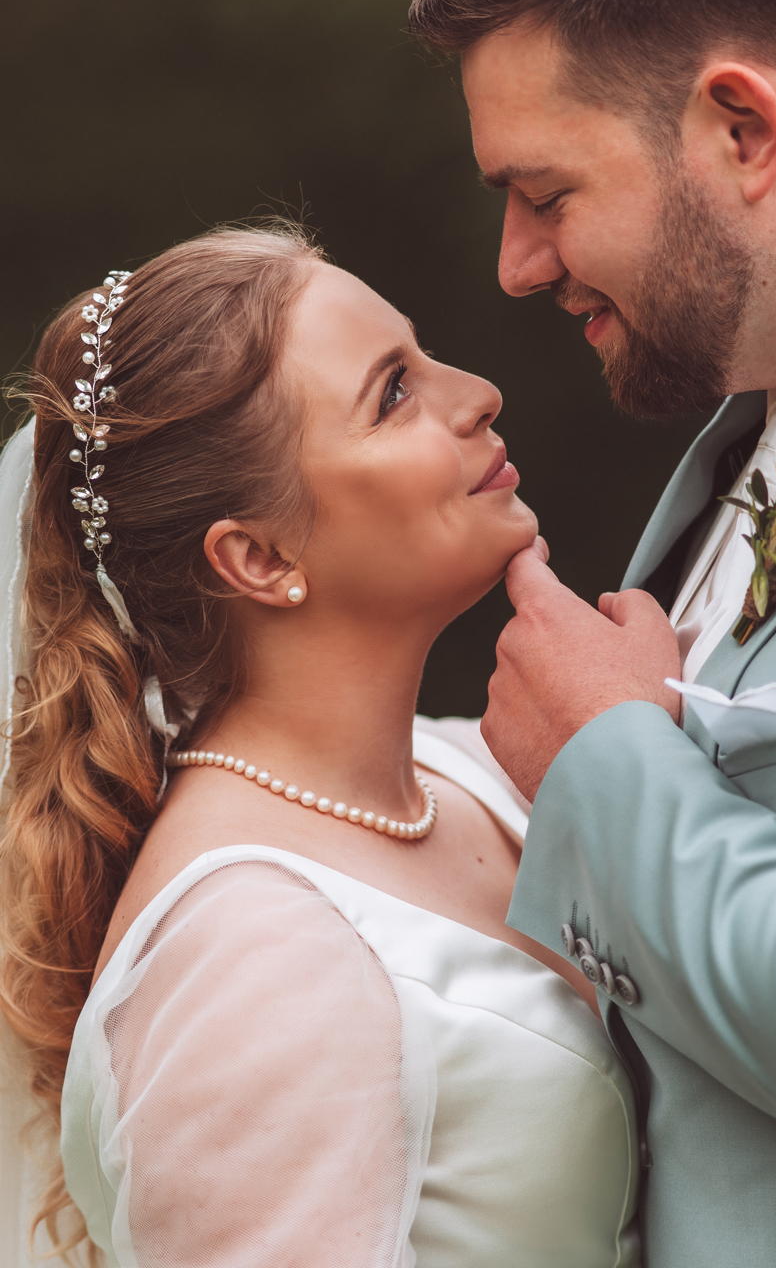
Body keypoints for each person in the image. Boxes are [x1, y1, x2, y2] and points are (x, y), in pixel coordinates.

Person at [409, 0, 776, 1265]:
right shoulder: (743, 436)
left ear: (743, 129)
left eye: (545, 193)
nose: (517, 266)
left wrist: (611, 760)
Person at [0, 225, 640, 1268]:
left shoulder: (459, 772)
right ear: (257, 556)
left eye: (423, 353)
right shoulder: (247, 953)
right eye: (393, 392)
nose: (476, 391)